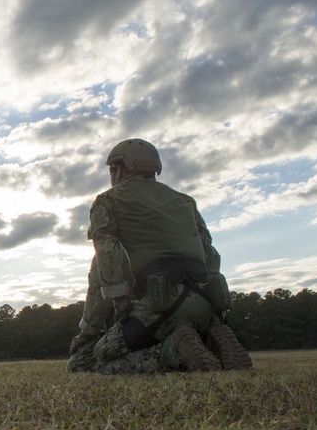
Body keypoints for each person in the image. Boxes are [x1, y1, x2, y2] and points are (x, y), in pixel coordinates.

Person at [68, 138, 253, 374]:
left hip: (159, 307)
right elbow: (209, 254)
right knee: (179, 332)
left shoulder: (107, 201)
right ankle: (212, 342)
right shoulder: (186, 202)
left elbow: (107, 256)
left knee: (96, 359)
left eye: (111, 170)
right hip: (206, 305)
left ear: (120, 169)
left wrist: (107, 315)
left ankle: (173, 352)